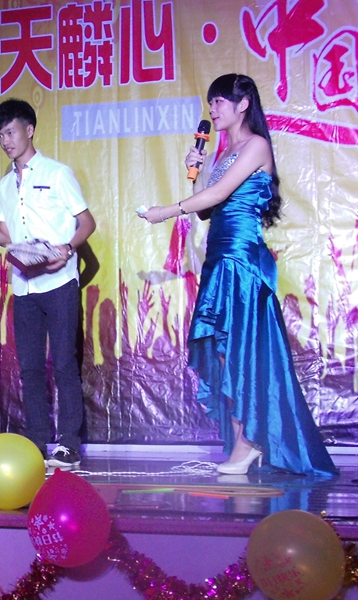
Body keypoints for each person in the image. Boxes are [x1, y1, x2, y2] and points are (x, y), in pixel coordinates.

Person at [139, 73, 337, 477]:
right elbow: (207, 208)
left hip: (241, 259)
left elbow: (215, 196)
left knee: (241, 349)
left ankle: (248, 444)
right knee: (226, 351)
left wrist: (164, 212)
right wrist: (196, 169)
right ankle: (245, 442)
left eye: (219, 101)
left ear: (243, 104)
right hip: (220, 257)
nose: (212, 109)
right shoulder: (223, 152)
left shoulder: (256, 145)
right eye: (211, 102)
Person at [0, 99, 96, 468]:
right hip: (23, 287)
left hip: (59, 283)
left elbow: (87, 222)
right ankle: (37, 442)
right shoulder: (6, 184)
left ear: (29, 130)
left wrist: (67, 248)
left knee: (65, 364)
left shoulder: (57, 173)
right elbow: (6, 235)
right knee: (30, 368)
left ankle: (69, 444)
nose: (5, 140)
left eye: (10, 132)